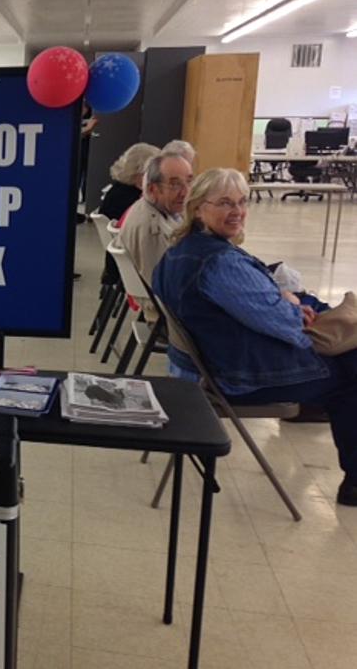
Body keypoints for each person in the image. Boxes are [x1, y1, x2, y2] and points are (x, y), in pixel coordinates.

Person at [153, 168, 357, 506]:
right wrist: (291, 305)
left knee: (345, 358)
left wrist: (286, 304)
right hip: (231, 377)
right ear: (200, 208)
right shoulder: (218, 262)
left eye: (242, 202)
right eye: (225, 203)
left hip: (200, 364)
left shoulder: (180, 249)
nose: (237, 212)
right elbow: (290, 329)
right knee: (351, 372)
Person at [118, 151, 193, 293]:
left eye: (189, 181)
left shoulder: (149, 207)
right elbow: (167, 289)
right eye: (175, 185)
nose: (186, 192)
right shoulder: (154, 230)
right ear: (153, 189)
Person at [98, 142, 160, 285]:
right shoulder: (132, 200)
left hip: (119, 267)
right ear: (141, 172)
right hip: (133, 273)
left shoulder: (118, 190)